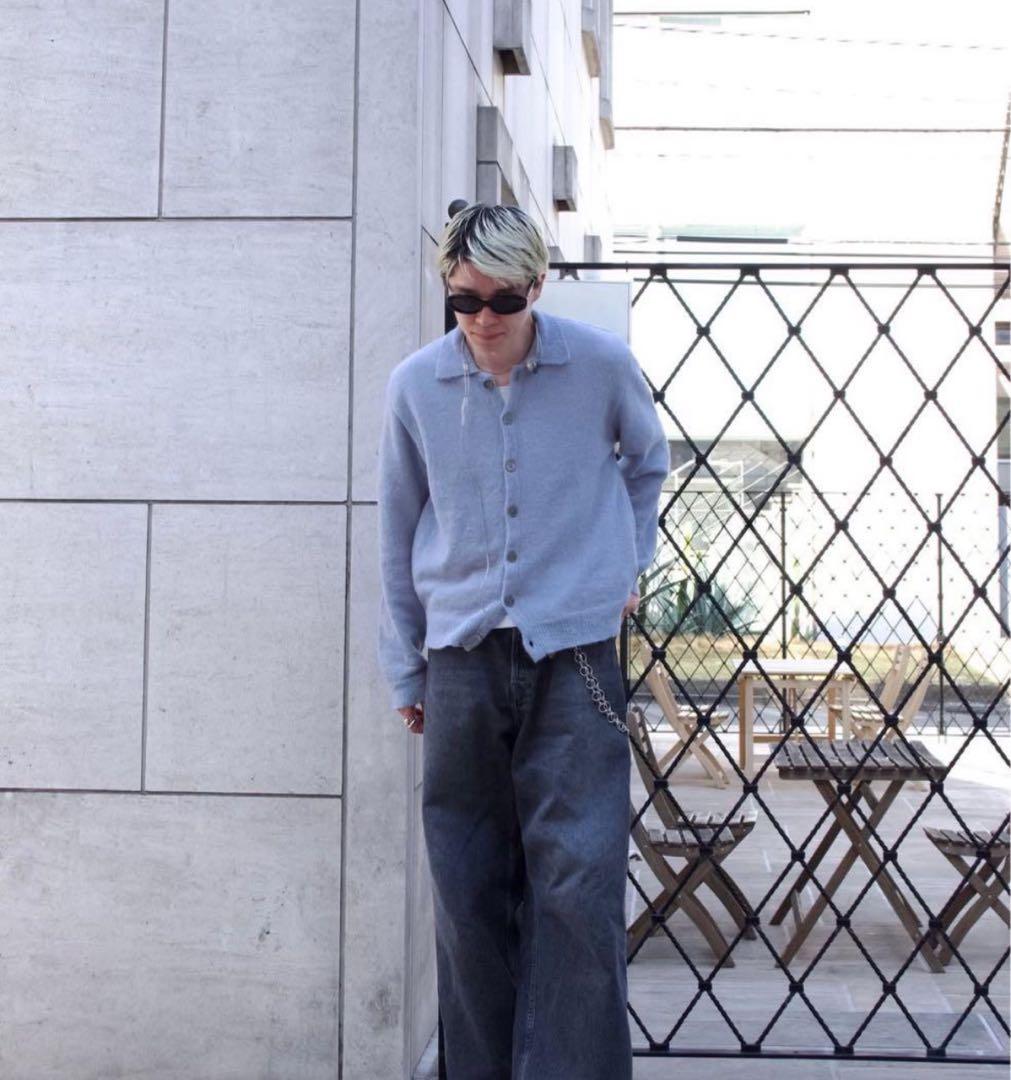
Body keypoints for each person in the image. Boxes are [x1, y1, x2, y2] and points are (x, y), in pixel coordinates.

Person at [376, 203, 669, 1079]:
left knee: (578, 888)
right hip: (460, 660)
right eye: (464, 300)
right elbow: (397, 528)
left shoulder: (599, 366)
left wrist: (627, 564)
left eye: (503, 298)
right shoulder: (415, 387)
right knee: (467, 889)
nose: (483, 318)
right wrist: (406, 667)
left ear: (537, 286)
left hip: (575, 657)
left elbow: (647, 465)